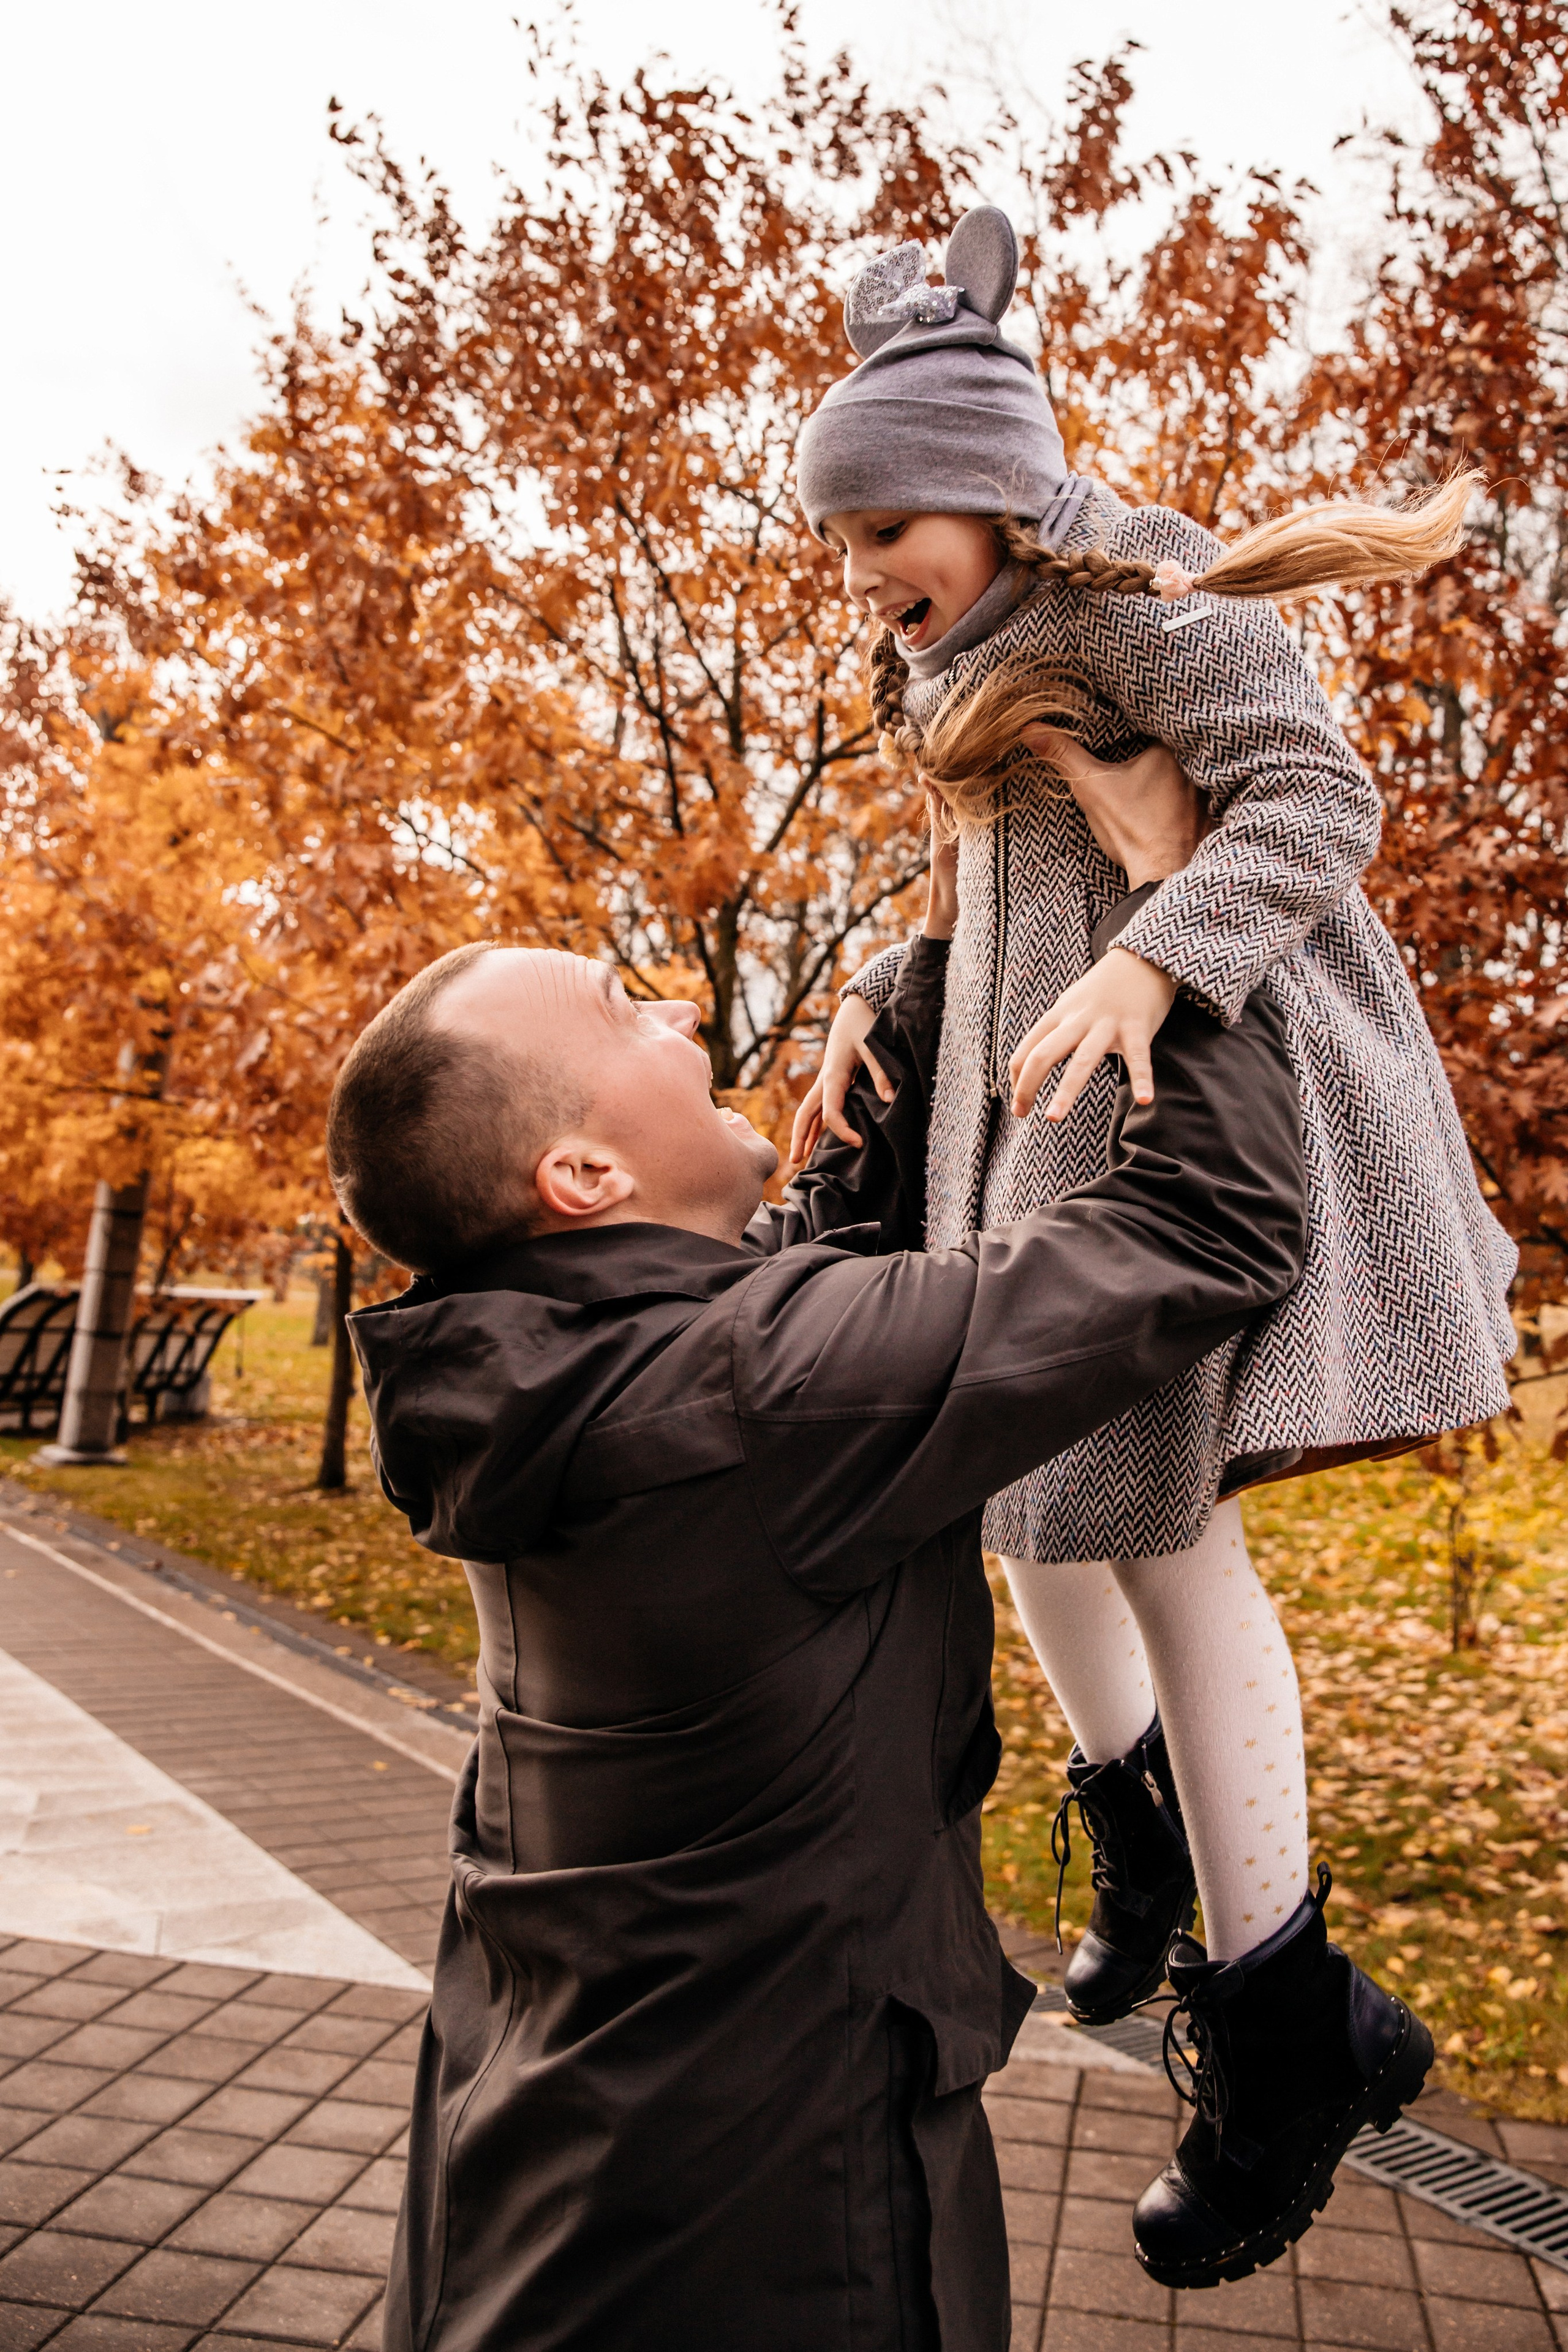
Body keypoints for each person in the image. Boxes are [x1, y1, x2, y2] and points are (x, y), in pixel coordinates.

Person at [325, 765, 1400, 2349]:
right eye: (626, 1008)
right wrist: (1185, 911)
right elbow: (1209, 1229)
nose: (682, 1010)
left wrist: (910, 995)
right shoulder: (756, 1393)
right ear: (583, 1180)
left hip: (549, 2201)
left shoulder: (546, 1376)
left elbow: (834, 1247)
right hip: (761, 2241)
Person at [790, 203, 1514, 2277]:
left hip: (1201, 1096)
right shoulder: (949, 647)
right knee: (1030, 1511)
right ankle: (1142, 1844)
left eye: (885, 530)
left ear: (996, 476)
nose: (865, 580)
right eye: (841, 547)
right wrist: (878, 996)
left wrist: (1163, 960)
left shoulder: (1136, 588)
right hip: (1028, 1121)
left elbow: (1321, 796)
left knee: (1159, 1520)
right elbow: (973, 869)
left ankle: (1289, 2013)